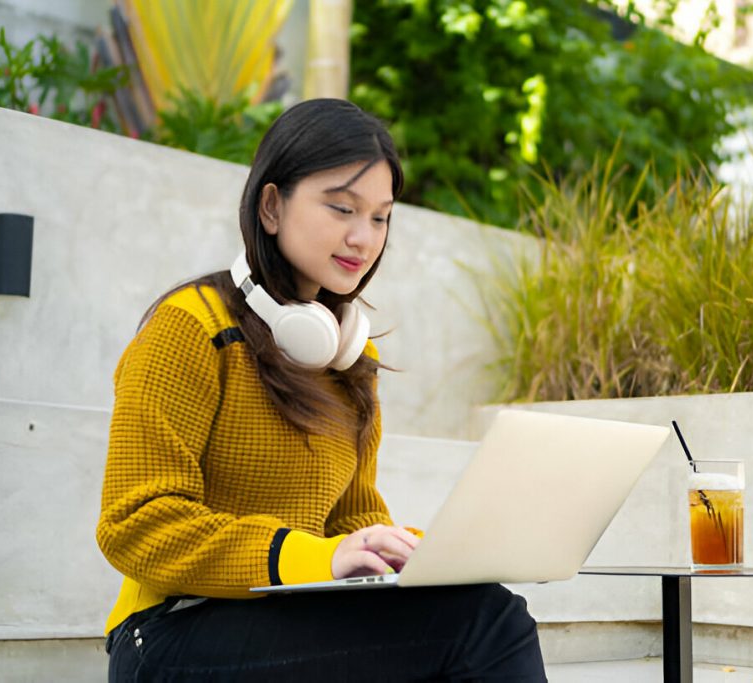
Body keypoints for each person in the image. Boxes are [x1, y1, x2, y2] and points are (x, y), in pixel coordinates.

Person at [96, 98, 547, 682]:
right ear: (272, 205)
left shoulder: (352, 358)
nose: (364, 238)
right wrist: (309, 556)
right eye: (342, 208)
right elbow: (134, 524)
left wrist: (419, 551)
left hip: (293, 619)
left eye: (381, 217)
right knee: (483, 625)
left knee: (482, 610)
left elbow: (353, 520)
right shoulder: (193, 327)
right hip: (169, 633)